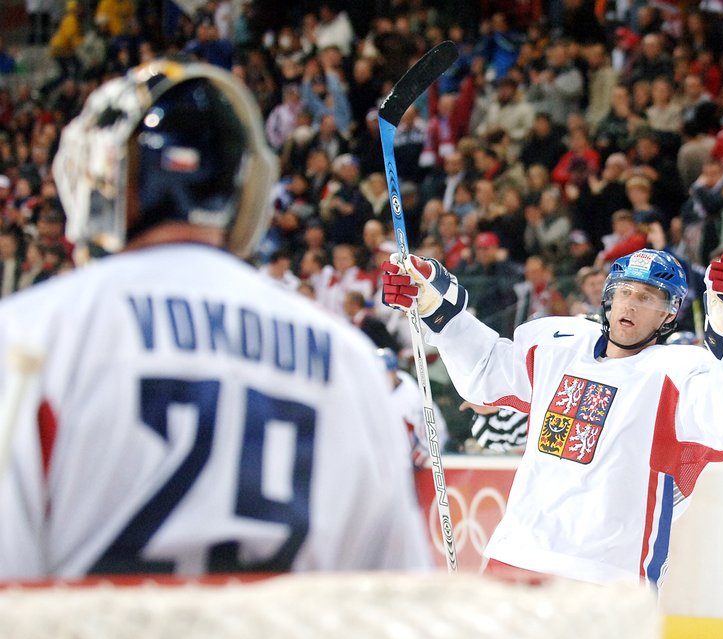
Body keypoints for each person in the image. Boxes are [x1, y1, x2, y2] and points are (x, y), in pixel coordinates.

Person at [0, 61, 431, 580]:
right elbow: (392, 602)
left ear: (105, 176)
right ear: (244, 192)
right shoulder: (346, 359)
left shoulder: (30, 337)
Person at [382, 247, 723, 639]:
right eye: (627, 292)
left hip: (600, 578)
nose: (633, 305)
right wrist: (435, 307)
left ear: (669, 315)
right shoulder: (557, 340)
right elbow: (488, 373)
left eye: (651, 299)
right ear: (609, 296)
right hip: (517, 557)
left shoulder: (679, 372)